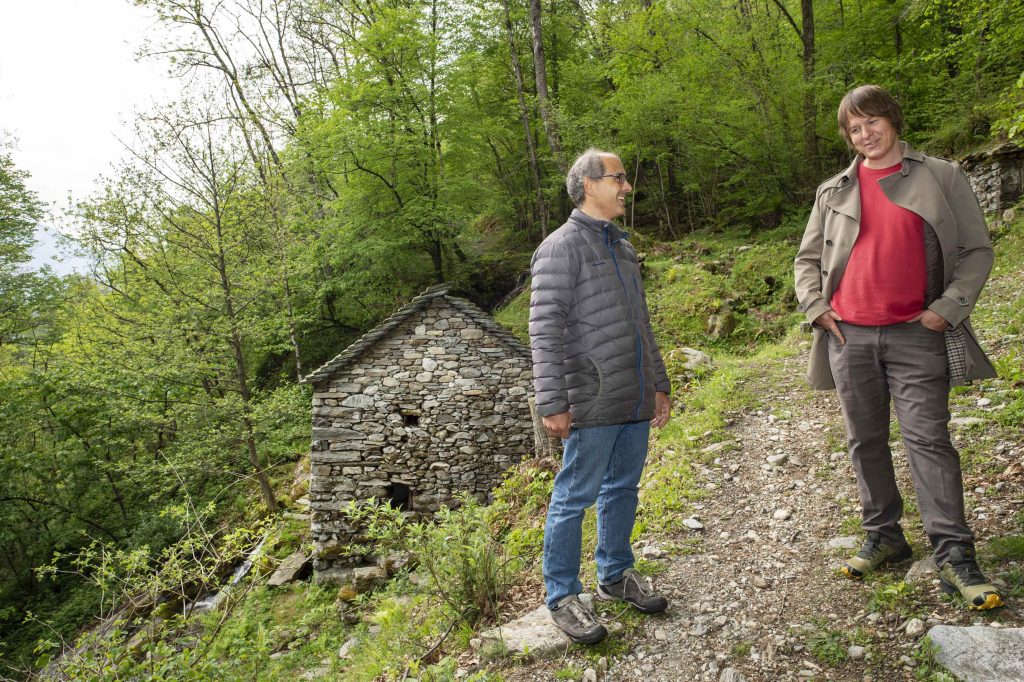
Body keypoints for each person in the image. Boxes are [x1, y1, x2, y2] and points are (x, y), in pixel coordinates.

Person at [794, 85, 1003, 610]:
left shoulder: (941, 176)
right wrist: (816, 307)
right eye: (854, 128)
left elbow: (977, 250)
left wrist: (948, 307)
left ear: (892, 119)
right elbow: (806, 259)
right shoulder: (833, 191)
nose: (865, 134)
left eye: (872, 122)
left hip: (918, 332)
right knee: (864, 441)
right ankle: (884, 535)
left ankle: (954, 554)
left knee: (928, 440)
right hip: (849, 337)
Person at [529, 148, 673, 644]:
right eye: (618, 178)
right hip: (590, 396)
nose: (627, 187)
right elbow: (544, 330)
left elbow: (641, 325)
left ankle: (614, 575)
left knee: (623, 488)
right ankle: (563, 595)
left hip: (632, 394)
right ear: (589, 185)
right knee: (573, 498)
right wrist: (552, 401)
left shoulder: (624, 249)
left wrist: (658, 383)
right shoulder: (559, 248)